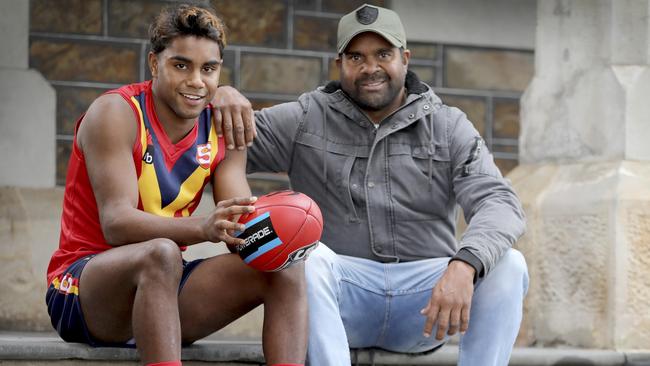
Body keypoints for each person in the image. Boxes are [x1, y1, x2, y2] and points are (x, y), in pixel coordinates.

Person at [213, 3, 529, 365]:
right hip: (340, 299)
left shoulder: (448, 125)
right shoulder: (305, 118)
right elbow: (215, 137)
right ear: (339, 64)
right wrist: (219, 95)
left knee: (509, 265)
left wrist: (464, 265)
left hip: (425, 307)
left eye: (383, 54)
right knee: (307, 257)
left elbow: (499, 202)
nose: (370, 68)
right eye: (356, 57)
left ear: (405, 58)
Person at [45, 4, 307, 366]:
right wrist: (202, 227)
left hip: (163, 290)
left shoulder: (222, 126)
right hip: (83, 289)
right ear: (155, 64)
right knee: (162, 252)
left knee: (284, 265)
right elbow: (116, 222)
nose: (196, 81)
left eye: (209, 69)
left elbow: (239, 228)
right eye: (181, 65)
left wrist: (282, 228)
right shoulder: (116, 113)